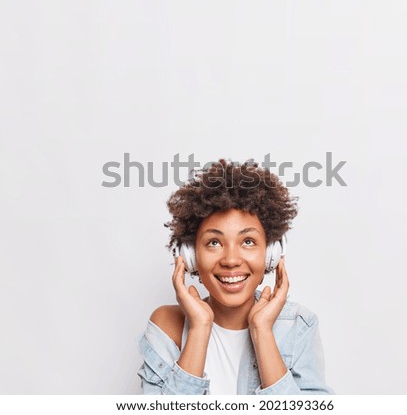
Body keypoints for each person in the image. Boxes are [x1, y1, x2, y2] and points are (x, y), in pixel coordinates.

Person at [136, 159, 334, 395]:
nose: (231, 259)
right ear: (190, 256)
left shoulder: (298, 327)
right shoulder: (167, 325)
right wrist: (199, 328)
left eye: (248, 241)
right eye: (214, 242)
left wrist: (262, 331)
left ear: (270, 254)